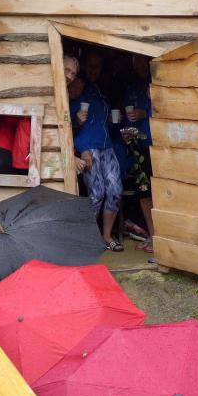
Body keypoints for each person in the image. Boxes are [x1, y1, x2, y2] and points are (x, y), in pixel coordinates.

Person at [70, 50, 124, 252]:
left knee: (116, 191)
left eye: (97, 66)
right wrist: (81, 148)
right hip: (88, 148)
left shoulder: (99, 91)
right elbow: (68, 125)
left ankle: (106, 236)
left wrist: (113, 121)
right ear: (84, 66)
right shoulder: (76, 88)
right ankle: (87, 238)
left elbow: (101, 122)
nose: (94, 69)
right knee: (97, 194)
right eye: (90, 65)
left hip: (107, 147)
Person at [122, 54, 155, 253]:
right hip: (139, 148)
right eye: (135, 62)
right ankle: (152, 235)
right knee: (144, 193)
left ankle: (164, 238)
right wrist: (126, 132)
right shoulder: (132, 89)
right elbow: (127, 118)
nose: (139, 66)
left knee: (161, 193)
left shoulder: (158, 82)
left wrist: (146, 112)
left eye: (142, 61)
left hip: (159, 148)